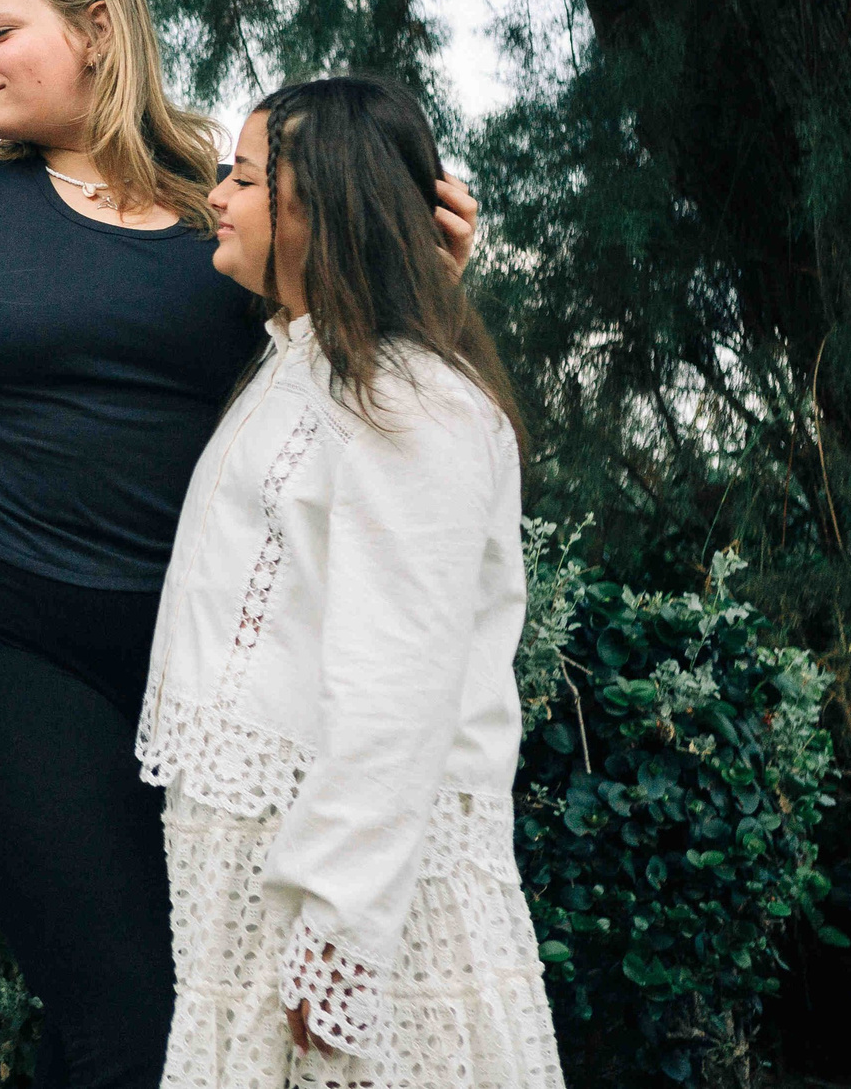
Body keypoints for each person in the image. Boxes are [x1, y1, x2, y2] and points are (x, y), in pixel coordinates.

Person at [0, 0, 480, 1089]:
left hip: (190, 667)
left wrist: (418, 275)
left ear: (96, 32)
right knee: (129, 1010)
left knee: (159, 1004)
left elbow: (337, 380)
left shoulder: (228, 216)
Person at [140, 74, 564, 1084]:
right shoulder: (300, 364)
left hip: (353, 895)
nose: (218, 196)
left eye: (243, 176)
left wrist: (336, 929)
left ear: (314, 203)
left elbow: (399, 685)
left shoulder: (412, 400)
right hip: (249, 872)